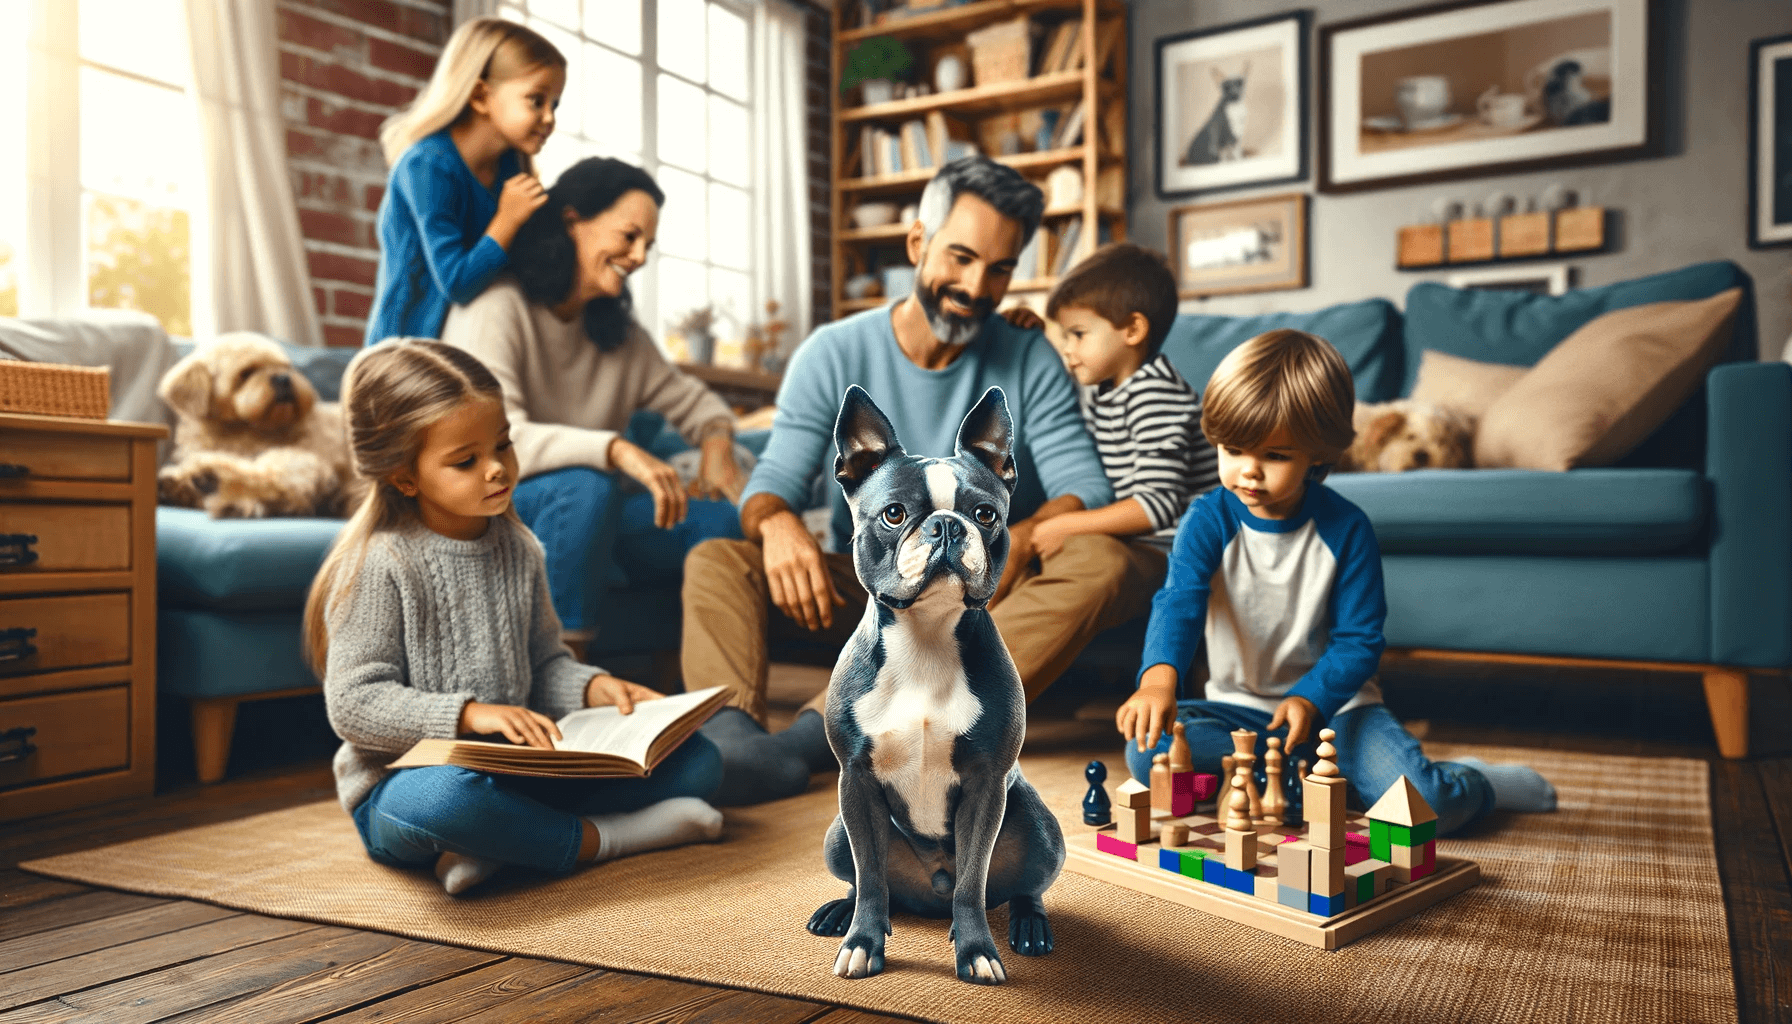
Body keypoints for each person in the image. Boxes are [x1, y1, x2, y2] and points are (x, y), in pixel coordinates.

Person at [682, 156, 1164, 806]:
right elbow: (771, 482)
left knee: (1103, 558)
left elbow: (1089, 490)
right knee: (717, 560)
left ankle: (847, 729)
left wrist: (1019, 536)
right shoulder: (832, 352)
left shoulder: (1029, 358)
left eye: (999, 269)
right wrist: (776, 523)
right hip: (873, 592)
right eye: (960, 258)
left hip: (981, 603)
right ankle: (733, 741)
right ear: (918, 244)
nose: (975, 285)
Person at [304, 339, 725, 896]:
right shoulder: (380, 564)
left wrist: (595, 688)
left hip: (520, 772)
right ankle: (608, 838)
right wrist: (470, 714)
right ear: (405, 477)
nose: (498, 469)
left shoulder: (518, 548)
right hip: (401, 786)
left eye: (503, 445)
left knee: (699, 761)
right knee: (451, 803)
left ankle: (501, 846)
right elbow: (354, 704)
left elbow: (545, 663)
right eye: (466, 461)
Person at [1115, 329, 1555, 834]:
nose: (1248, 473)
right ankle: (1273, 784)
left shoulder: (1347, 529)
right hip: (1239, 715)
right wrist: (1157, 678)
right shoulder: (1207, 518)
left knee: (1427, 804)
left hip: (1339, 714)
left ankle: (1476, 782)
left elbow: (1359, 640)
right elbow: (1179, 601)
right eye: (1233, 450)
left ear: (1318, 455)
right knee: (1151, 757)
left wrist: (1310, 699)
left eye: (1274, 456)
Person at [441, 158, 745, 633]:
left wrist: (717, 445)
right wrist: (615, 449)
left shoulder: (621, 337)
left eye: (648, 244)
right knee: (586, 486)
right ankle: (562, 672)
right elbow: (498, 439)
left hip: (596, 511)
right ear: (572, 221)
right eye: (629, 236)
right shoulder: (497, 306)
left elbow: (699, 405)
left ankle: (699, 690)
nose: (640, 256)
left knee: (716, 521)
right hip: (504, 498)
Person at [365, 18, 565, 345]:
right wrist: (507, 220)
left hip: (463, 349)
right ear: (480, 96)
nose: (550, 119)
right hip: (402, 356)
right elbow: (456, 283)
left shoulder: (509, 171)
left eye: (555, 105)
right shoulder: (427, 165)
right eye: (536, 100)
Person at [1032, 242, 1218, 569]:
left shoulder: (1155, 394)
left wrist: (1066, 525)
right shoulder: (1106, 385)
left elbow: (1156, 505)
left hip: (1179, 547)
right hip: (1146, 540)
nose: (1067, 350)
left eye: (1078, 334)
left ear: (1132, 330)